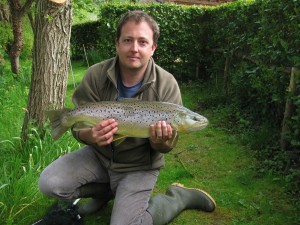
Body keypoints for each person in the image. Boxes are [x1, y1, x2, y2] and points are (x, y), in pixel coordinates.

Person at [39, 10, 216, 225]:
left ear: (153, 48)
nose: (134, 48)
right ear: (117, 43)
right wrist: (90, 135)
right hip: (99, 157)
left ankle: (177, 198)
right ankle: (108, 192)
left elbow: (167, 146)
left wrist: (163, 141)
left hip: (139, 166)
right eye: (128, 40)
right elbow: (79, 128)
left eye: (143, 42)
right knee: (49, 184)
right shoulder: (96, 74)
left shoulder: (167, 84)